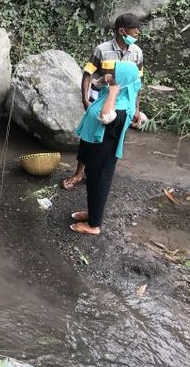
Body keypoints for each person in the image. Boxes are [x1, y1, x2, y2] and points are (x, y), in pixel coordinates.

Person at [61, 12, 146, 190]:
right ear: (122, 31)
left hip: (123, 103)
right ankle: (79, 172)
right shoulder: (103, 49)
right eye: (134, 28)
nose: (138, 31)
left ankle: (100, 174)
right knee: (88, 138)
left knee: (112, 139)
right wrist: (85, 100)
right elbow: (87, 74)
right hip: (100, 98)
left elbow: (137, 84)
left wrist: (136, 109)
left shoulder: (137, 53)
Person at [69, 61, 142, 235]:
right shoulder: (117, 93)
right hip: (96, 145)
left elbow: (105, 117)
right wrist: (106, 80)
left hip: (105, 151)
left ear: (123, 81)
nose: (112, 77)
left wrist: (113, 92)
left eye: (116, 75)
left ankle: (94, 225)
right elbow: (95, 84)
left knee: (98, 184)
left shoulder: (122, 104)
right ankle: (93, 214)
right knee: (93, 181)